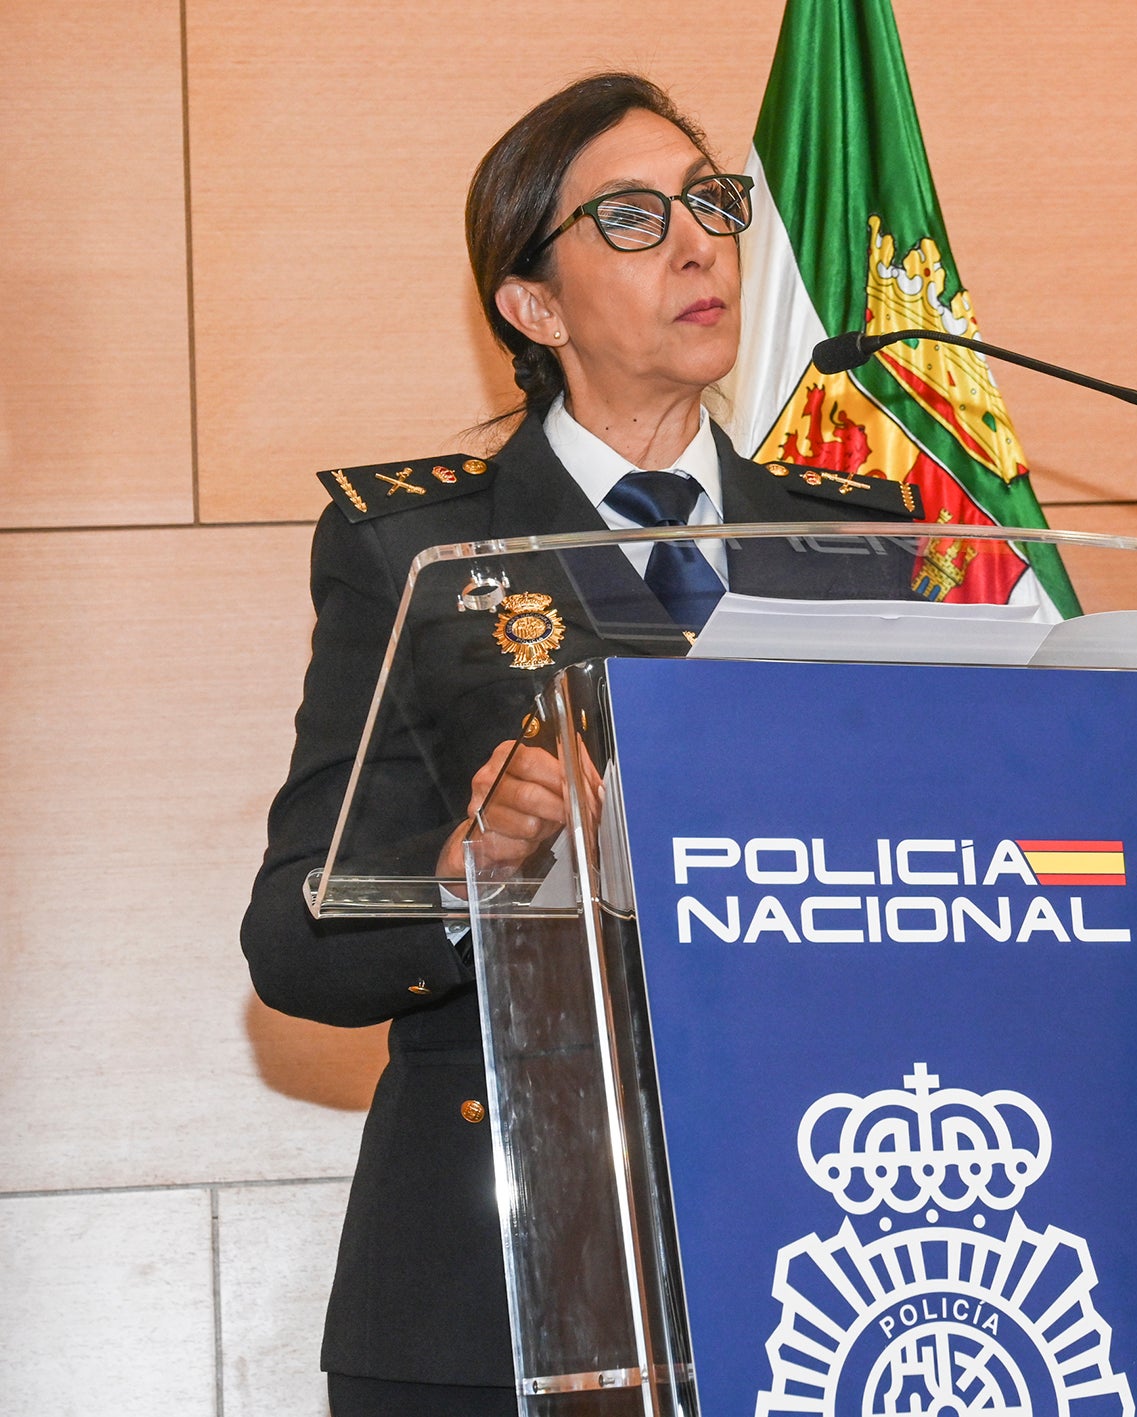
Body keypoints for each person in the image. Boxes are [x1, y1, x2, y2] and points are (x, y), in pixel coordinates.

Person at [242, 72, 921, 1417]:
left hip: (815, 1259)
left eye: (709, 203)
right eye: (628, 217)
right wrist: (462, 872)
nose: (694, 242)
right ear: (532, 307)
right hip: (488, 1285)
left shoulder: (857, 545)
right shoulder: (421, 545)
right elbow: (294, 941)